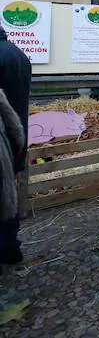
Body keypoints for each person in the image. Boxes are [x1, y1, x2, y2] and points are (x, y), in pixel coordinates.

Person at [0, 26, 31, 267]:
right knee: (8, 192)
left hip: (6, 134)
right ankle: (11, 248)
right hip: (16, 133)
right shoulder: (17, 52)